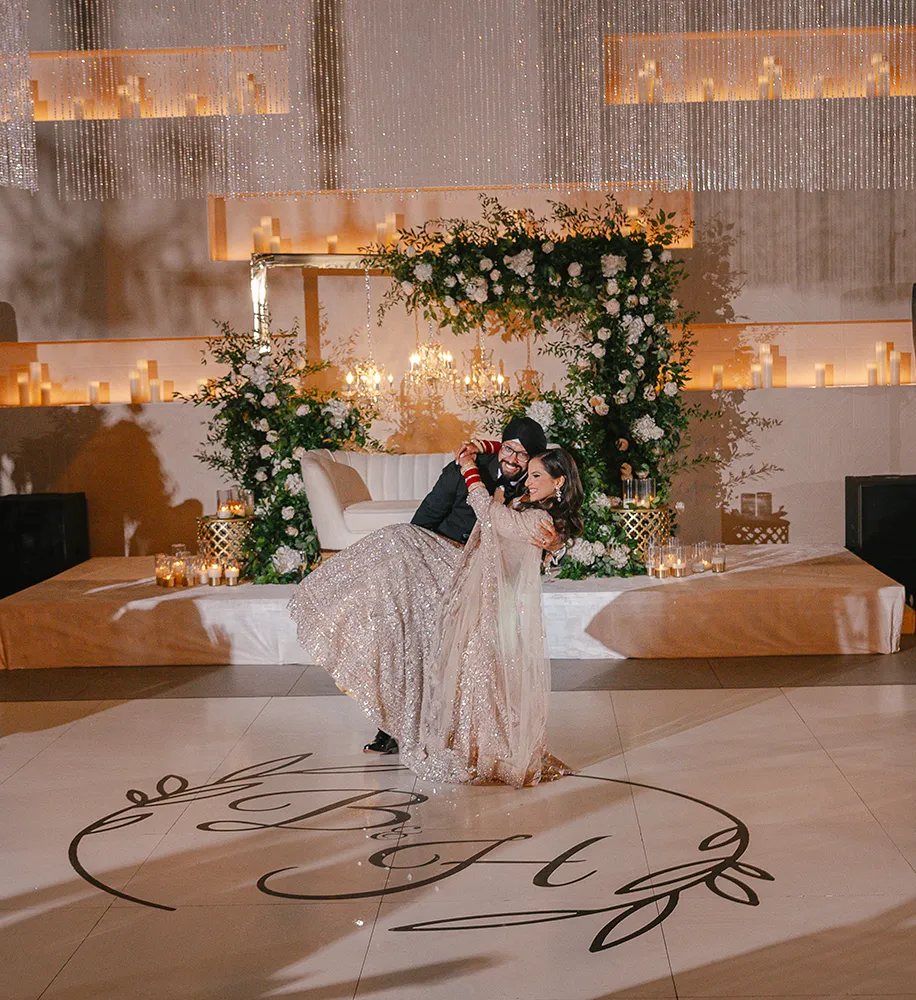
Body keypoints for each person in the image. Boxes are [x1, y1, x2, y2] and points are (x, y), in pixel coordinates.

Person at [288, 446, 584, 788]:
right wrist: (477, 456)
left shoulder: (535, 515)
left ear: (557, 480)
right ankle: (399, 721)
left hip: (481, 594)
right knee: (398, 578)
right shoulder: (518, 497)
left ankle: (467, 742)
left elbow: (496, 519)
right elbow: (437, 516)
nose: (525, 475)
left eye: (534, 472)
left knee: (470, 672)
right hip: (451, 575)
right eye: (519, 461)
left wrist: (472, 471)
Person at [366, 416, 561, 755]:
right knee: (406, 634)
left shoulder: (535, 484)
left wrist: (556, 547)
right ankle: (392, 726)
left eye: (522, 456)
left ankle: (452, 731)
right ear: (501, 445)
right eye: (508, 450)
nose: (513, 461)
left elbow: (544, 529)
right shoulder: (464, 469)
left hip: (483, 577)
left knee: (464, 650)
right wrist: (415, 570)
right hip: (438, 559)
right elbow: (424, 521)